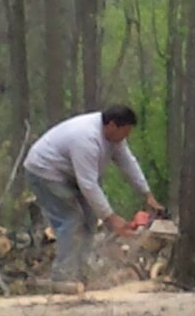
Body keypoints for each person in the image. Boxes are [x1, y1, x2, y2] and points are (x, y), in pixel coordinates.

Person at [24, 104, 162, 289]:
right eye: (125, 131)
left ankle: (82, 272)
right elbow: (88, 184)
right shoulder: (86, 139)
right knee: (71, 219)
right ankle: (63, 277)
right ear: (112, 125)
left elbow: (128, 163)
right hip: (44, 172)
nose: (126, 137)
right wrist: (112, 218)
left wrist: (147, 194)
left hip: (68, 173)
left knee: (90, 219)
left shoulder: (114, 139)